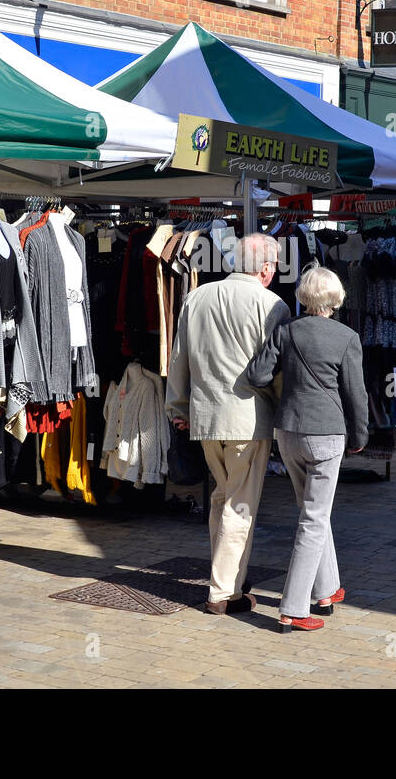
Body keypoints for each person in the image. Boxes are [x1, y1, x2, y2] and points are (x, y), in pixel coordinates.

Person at [166, 233, 290, 615]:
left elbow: (179, 359)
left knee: (222, 499)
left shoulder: (197, 297)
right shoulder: (272, 304)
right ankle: (223, 591)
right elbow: (278, 373)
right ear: (266, 268)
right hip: (248, 420)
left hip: (206, 416)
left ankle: (230, 577)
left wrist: (178, 408)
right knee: (238, 504)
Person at [246, 266, 368, 633]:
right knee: (313, 518)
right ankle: (294, 608)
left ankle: (327, 589)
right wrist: (360, 436)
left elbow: (257, 375)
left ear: (303, 296)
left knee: (313, 510)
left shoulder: (286, 330)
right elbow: (355, 394)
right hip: (326, 434)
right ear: (335, 297)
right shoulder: (347, 337)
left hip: (288, 430)